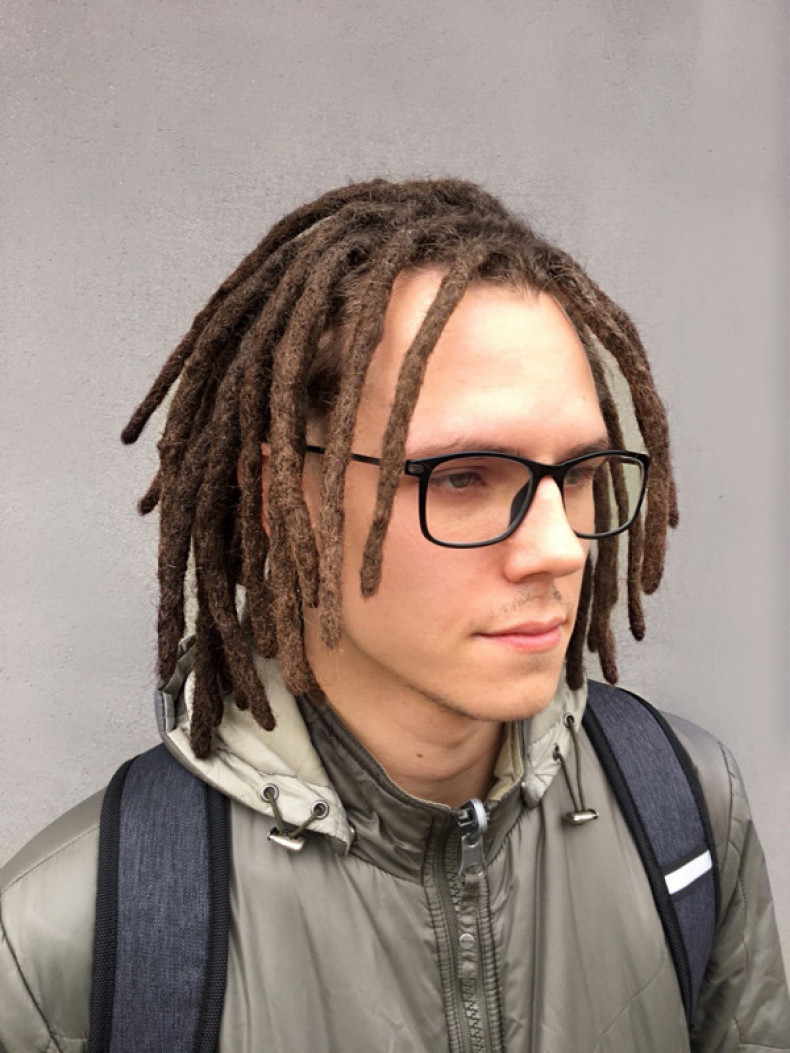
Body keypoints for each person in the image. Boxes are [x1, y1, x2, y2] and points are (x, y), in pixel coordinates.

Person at [1, 178, 788, 1052]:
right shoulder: (62, 945)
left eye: (576, 474)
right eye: (462, 477)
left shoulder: (684, 812)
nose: (560, 547)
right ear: (280, 496)